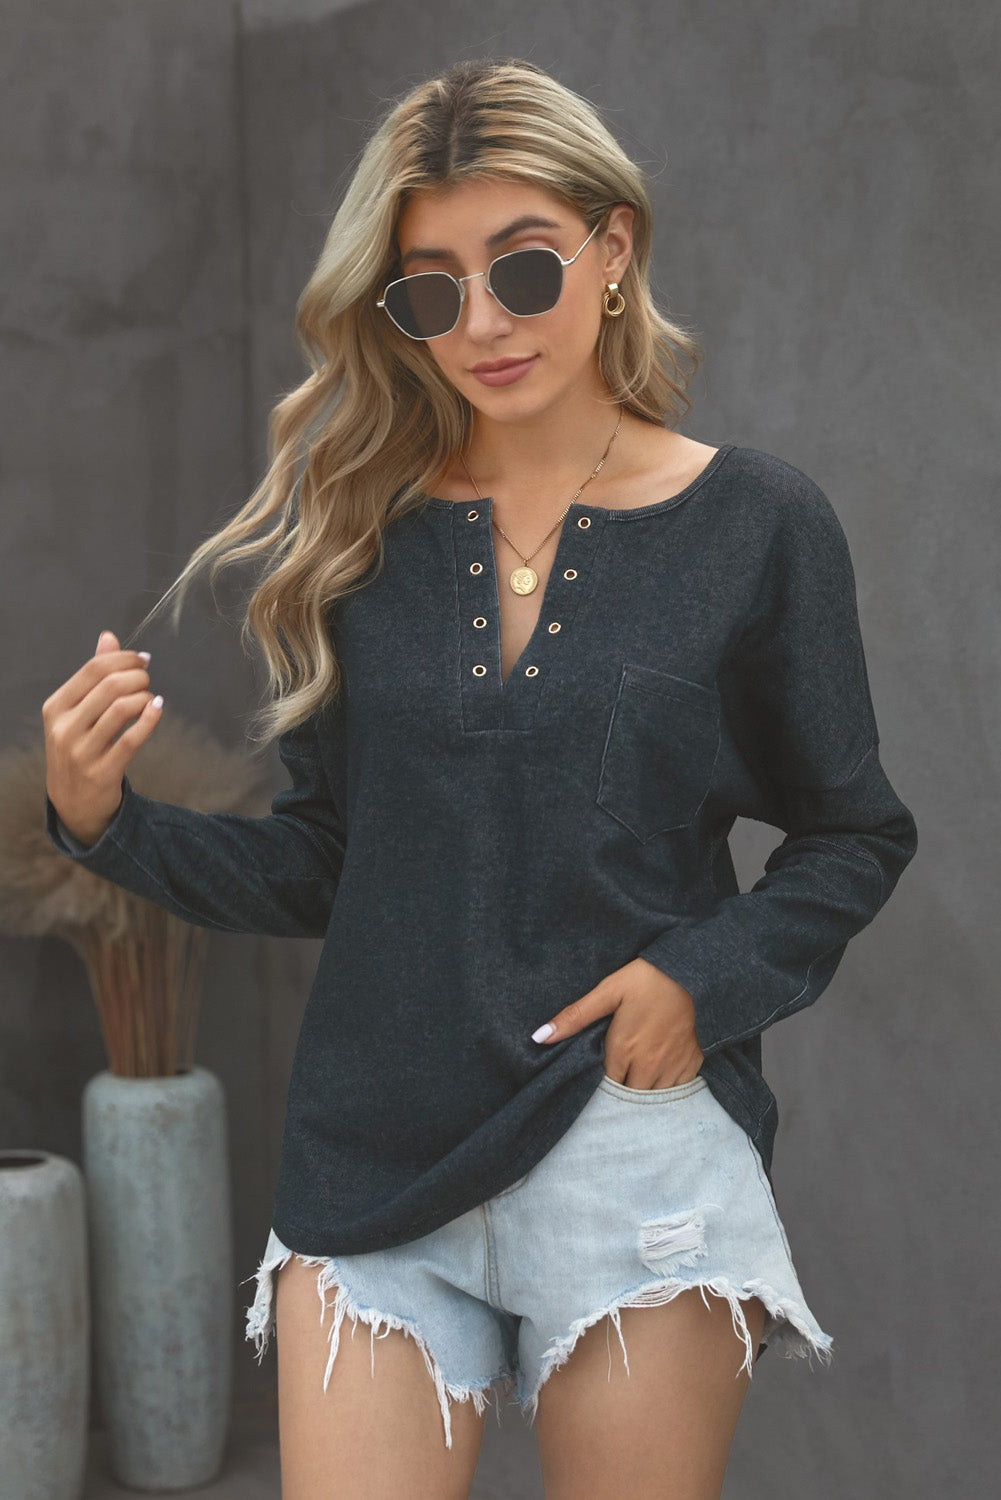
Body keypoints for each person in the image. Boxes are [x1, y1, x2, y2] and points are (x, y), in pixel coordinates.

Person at [42, 56, 918, 1500]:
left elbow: (852, 833)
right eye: (430, 290)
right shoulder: (358, 540)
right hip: (373, 1153)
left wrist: (701, 981)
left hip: (629, 1146)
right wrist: (104, 827)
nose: (484, 324)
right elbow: (330, 865)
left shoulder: (757, 524)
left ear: (612, 246)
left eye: (521, 267)